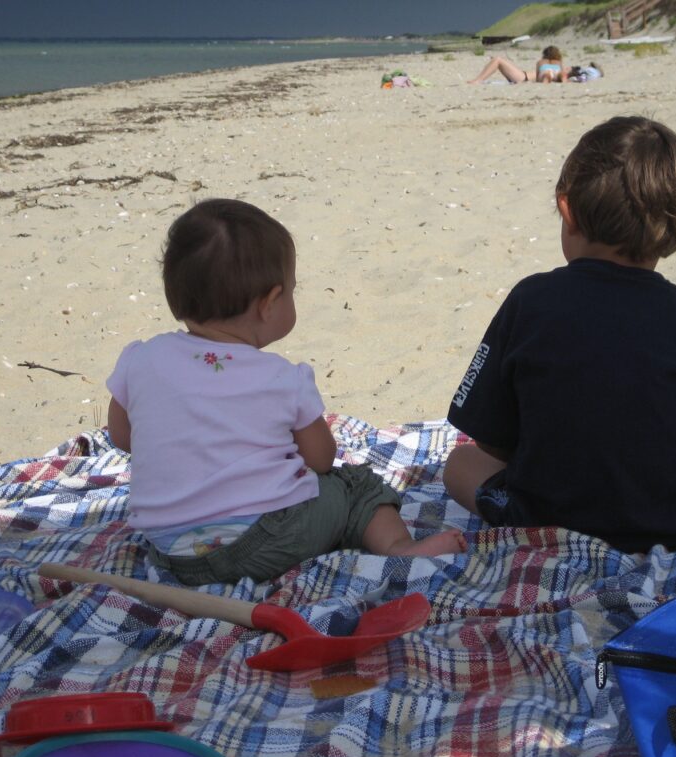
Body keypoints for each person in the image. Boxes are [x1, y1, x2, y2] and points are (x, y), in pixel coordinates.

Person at [442, 116, 676, 553]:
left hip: (547, 519)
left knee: (459, 463)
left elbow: (493, 439)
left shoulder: (530, 300)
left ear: (566, 210)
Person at [107, 199, 466, 586]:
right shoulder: (280, 377)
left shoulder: (141, 360)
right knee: (354, 486)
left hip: (172, 551)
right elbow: (322, 459)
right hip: (262, 541)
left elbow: (122, 436)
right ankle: (399, 549)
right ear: (269, 304)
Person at [468, 45, 568, 85]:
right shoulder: (558, 64)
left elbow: (538, 79)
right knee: (499, 59)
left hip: (523, 78)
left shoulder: (542, 63)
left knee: (497, 60)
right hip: (524, 76)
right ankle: (478, 80)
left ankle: (478, 80)